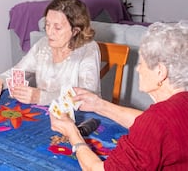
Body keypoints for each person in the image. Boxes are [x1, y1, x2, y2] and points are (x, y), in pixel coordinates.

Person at [50, 21, 188, 170]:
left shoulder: (157, 121)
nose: (138, 69)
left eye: (141, 63)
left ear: (160, 72)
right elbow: (151, 125)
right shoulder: (176, 107)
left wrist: (72, 133)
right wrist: (99, 105)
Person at [0, 0, 101, 105]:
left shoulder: (89, 49)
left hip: (80, 116)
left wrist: (40, 97)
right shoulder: (43, 44)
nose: (49, 32)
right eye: (47, 24)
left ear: (75, 31)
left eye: (57, 28)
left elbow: (85, 96)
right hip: (46, 112)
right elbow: (19, 71)